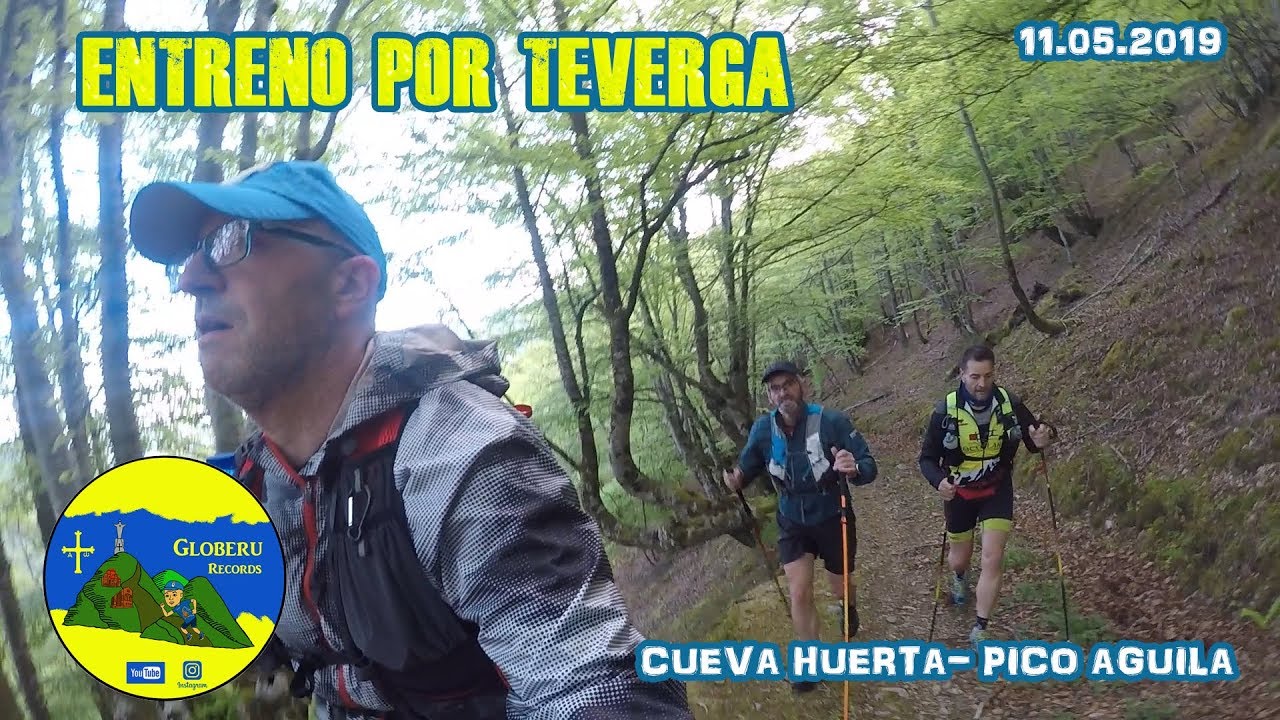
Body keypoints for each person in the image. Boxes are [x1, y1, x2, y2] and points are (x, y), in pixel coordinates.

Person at [128, 160, 693, 720]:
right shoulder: (255, 486)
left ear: (349, 284)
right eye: (191, 255)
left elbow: (595, 683)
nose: (190, 279)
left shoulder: (457, 450)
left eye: (230, 242)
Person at [722, 360, 877, 693]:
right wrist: (736, 480)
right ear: (768, 396)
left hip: (834, 513)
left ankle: (848, 606)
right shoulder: (763, 430)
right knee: (799, 590)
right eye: (775, 389)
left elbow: (868, 465)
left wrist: (852, 468)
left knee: (841, 586)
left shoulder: (831, 421)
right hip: (792, 518)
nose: (782, 394)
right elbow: (747, 467)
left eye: (788, 385)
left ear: (801, 385)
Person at [918, 344, 1056, 645]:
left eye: (988, 376)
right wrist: (938, 481)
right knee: (960, 558)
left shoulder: (1009, 404)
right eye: (975, 377)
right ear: (962, 374)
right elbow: (926, 458)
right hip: (959, 493)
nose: (982, 384)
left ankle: (981, 627)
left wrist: (1045, 435)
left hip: (997, 488)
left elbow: (1036, 437)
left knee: (993, 557)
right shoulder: (945, 411)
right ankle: (959, 577)